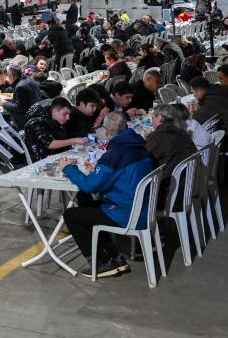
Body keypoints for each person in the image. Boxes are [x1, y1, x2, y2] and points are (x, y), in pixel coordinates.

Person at [60, 112, 155, 278]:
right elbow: (118, 177)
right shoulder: (139, 146)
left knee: (71, 215)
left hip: (126, 213)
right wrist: (97, 170)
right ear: (126, 127)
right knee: (86, 203)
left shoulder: (114, 154)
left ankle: (99, 264)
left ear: (107, 133)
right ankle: (114, 257)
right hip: (143, 207)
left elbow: (90, 186)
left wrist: (68, 168)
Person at [187, 76, 228, 152]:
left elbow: (195, 122)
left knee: (201, 145)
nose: (194, 95)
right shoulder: (219, 93)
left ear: (199, 91)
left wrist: (194, 112)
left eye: (193, 92)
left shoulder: (212, 101)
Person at [24, 97, 87, 161]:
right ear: (54, 112)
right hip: (43, 158)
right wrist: (74, 140)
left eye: (68, 114)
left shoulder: (55, 112)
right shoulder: (36, 122)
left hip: (57, 152)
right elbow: (49, 144)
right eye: (65, 114)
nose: (68, 118)